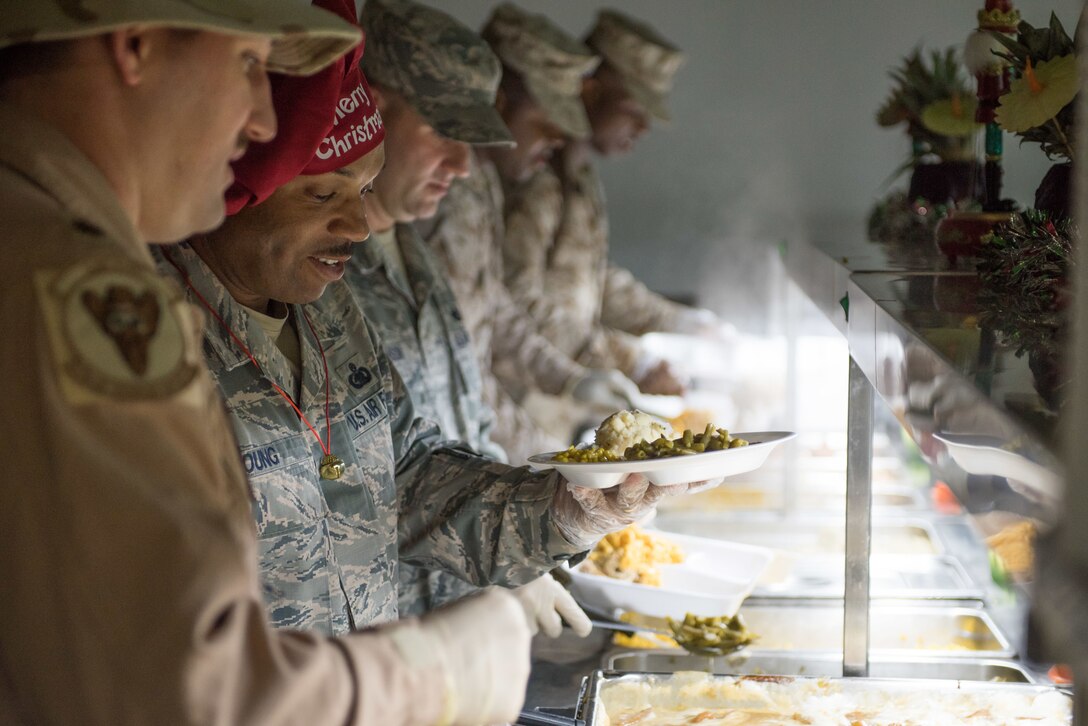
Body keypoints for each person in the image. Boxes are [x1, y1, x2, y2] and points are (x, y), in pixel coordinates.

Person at [421, 2, 641, 466]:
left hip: (486, 437)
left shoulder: (481, 179)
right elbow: (462, 367)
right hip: (453, 450)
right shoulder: (445, 193)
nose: (559, 140)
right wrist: (547, 457)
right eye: (546, 123)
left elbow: (493, 303)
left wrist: (569, 378)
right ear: (499, 103)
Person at [503, 9, 725, 396]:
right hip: (532, 394)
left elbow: (591, 277)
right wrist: (628, 360)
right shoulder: (536, 178)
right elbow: (517, 302)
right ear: (592, 90)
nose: (642, 128)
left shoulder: (579, 177)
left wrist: (681, 322)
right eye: (635, 109)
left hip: (564, 396)